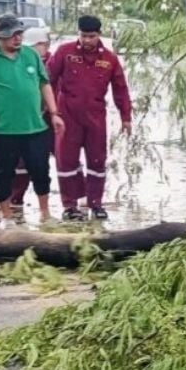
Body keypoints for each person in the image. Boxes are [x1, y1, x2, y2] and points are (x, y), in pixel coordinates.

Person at [0, 14, 64, 226]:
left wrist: (55, 113)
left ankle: (45, 214)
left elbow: (44, 83)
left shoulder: (31, 55)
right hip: (4, 130)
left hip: (35, 126)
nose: (17, 39)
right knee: (3, 173)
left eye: (19, 34)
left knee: (41, 170)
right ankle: (7, 216)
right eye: (12, 35)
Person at [48, 15, 132, 221]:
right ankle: (70, 205)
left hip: (96, 117)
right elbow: (46, 81)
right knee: (66, 161)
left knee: (97, 160)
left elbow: (120, 89)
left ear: (99, 35)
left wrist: (126, 117)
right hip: (67, 115)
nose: (87, 40)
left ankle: (96, 204)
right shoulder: (64, 52)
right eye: (83, 36)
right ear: (79, 34)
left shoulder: (110, 59)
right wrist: (49, 111)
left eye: (91, 36)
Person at [10, 27, 54, 213]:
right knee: (21, 161)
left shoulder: (54, 62)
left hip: (50, 118)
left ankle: (71, 200)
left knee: (51, 160)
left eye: (35, 46)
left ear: (43, 45)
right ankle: (16, 197)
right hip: (26, 118)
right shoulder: (20, 60)